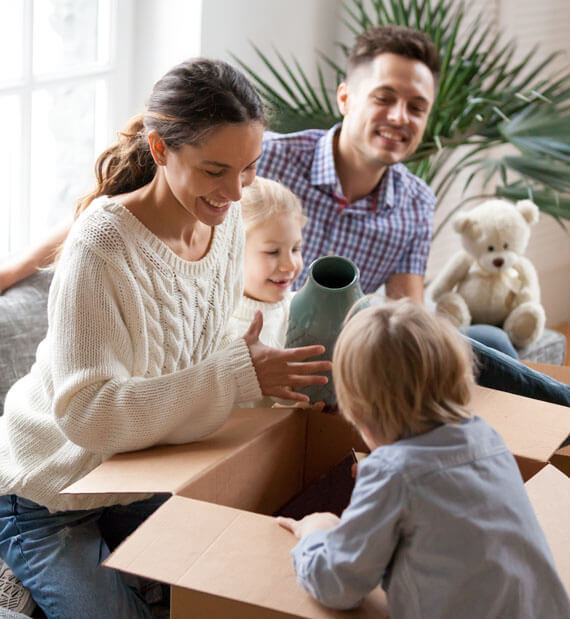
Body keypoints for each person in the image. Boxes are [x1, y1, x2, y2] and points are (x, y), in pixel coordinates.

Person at [0, 26, 567, 405]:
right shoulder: (262, 157)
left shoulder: (415, 200)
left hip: (350, 337)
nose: (399, 117)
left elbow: (408, 299)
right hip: (278, 326)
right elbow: (122, 202)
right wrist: (13, 269)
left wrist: (419, 350)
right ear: (346, 98)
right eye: (384, 97)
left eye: (417, 107)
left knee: (480, 335)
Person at [0, 58, 331, 619]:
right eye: (214, 171)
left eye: (248, 168)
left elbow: (195, 365)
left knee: (249, 580)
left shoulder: (225, 227)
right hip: (51, 489)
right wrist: (235, 375)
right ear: (159, 150)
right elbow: (89, 414)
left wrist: (263, 380)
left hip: (143, 471)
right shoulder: (102, 246)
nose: (233, 192)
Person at [277, 299, 570, 617]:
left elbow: (339, 584)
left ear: (356, 412)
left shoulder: (393, 476)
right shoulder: (487, 438)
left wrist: (316, 532)